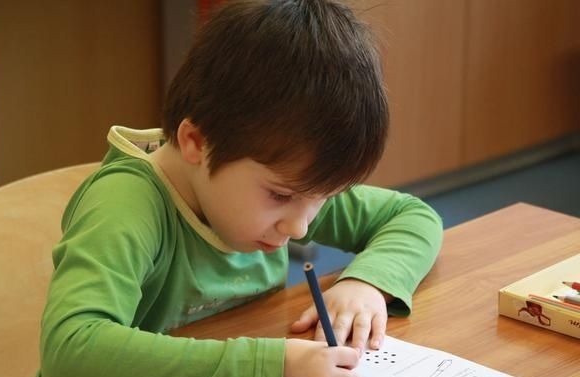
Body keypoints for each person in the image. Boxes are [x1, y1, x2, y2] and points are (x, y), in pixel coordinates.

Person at [38, 1, 443, 376]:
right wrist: (265, 364)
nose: (300, 229)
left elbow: (411, 217)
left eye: (323, 199)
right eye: (281, 196)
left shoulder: (281, 185)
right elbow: (71, 349)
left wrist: (366, 282)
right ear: (197, 143)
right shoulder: (126, 205)